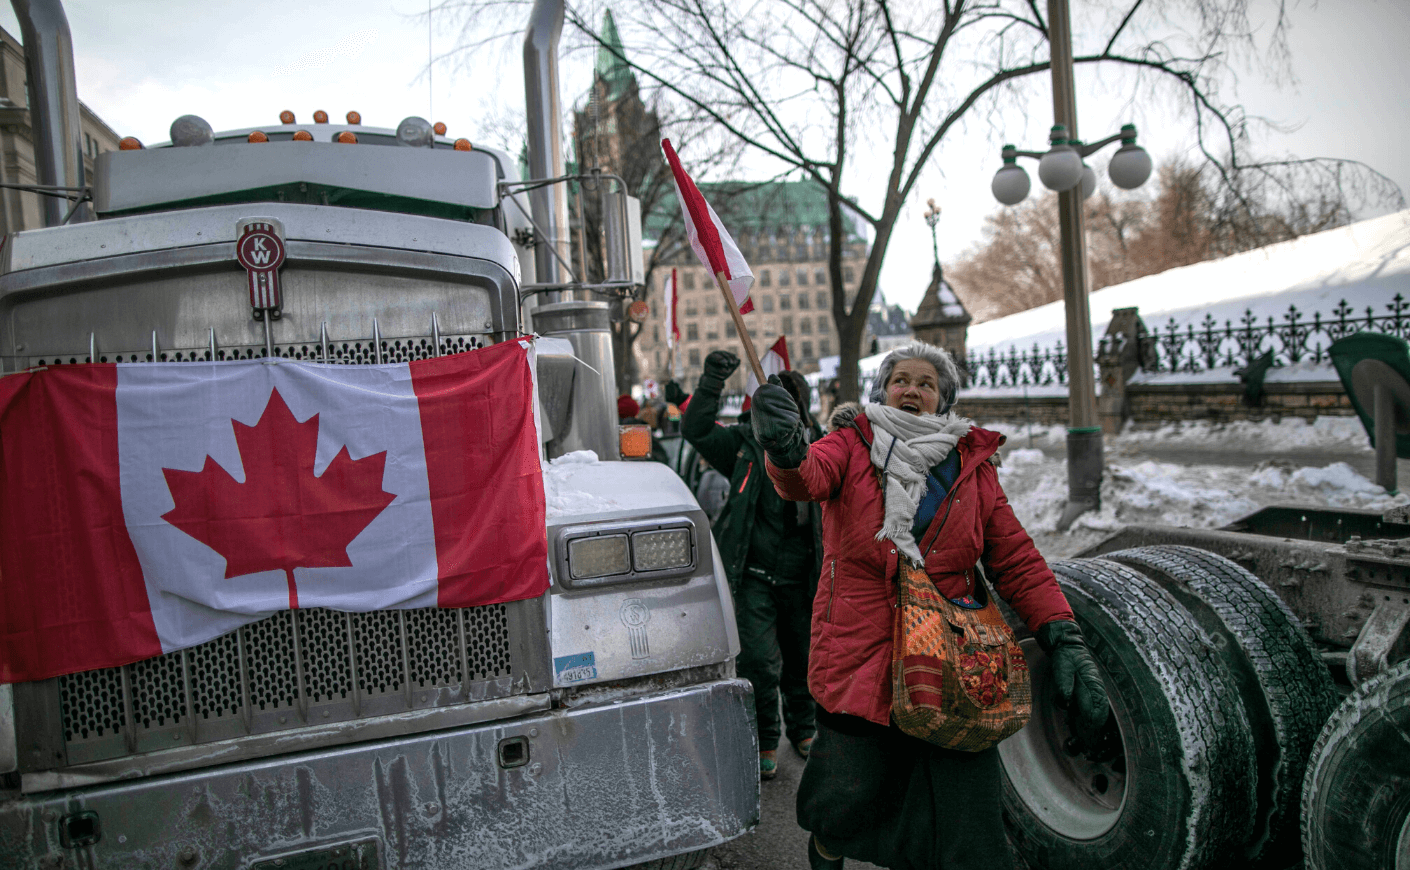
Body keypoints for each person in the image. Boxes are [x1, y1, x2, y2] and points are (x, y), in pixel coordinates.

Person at [748, 340, 1110, 870]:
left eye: (926, 383)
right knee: (846, 797)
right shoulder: (850, 443)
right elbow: (805, 477)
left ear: (943, 400)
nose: (912, 390)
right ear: (883, 391)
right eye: (901, 380)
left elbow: (1015, 557)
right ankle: (827, 849)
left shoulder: (972, 463)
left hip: (953, 661)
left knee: (965, 818)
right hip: (861, 652)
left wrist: (1062, 633)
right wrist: (785, 449)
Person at [683, 350, 823, 781]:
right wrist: (711, 381)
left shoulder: (823, 447)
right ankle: (764, 738)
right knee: (759, 662)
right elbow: (696, 428)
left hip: (805, 577)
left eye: (791, 405)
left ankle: (804, 728)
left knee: (803, 658)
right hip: (755, 576)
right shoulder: (743, 443)